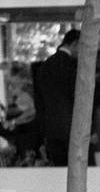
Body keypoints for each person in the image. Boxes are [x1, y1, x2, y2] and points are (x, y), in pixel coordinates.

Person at [33, 29, 81, 166]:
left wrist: (43, 132)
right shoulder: (73, 66)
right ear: (74, 44)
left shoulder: (44, 66)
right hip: (72, 128)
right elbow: (76, 98)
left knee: (60, 169)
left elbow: (39, 102)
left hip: (51, 129)